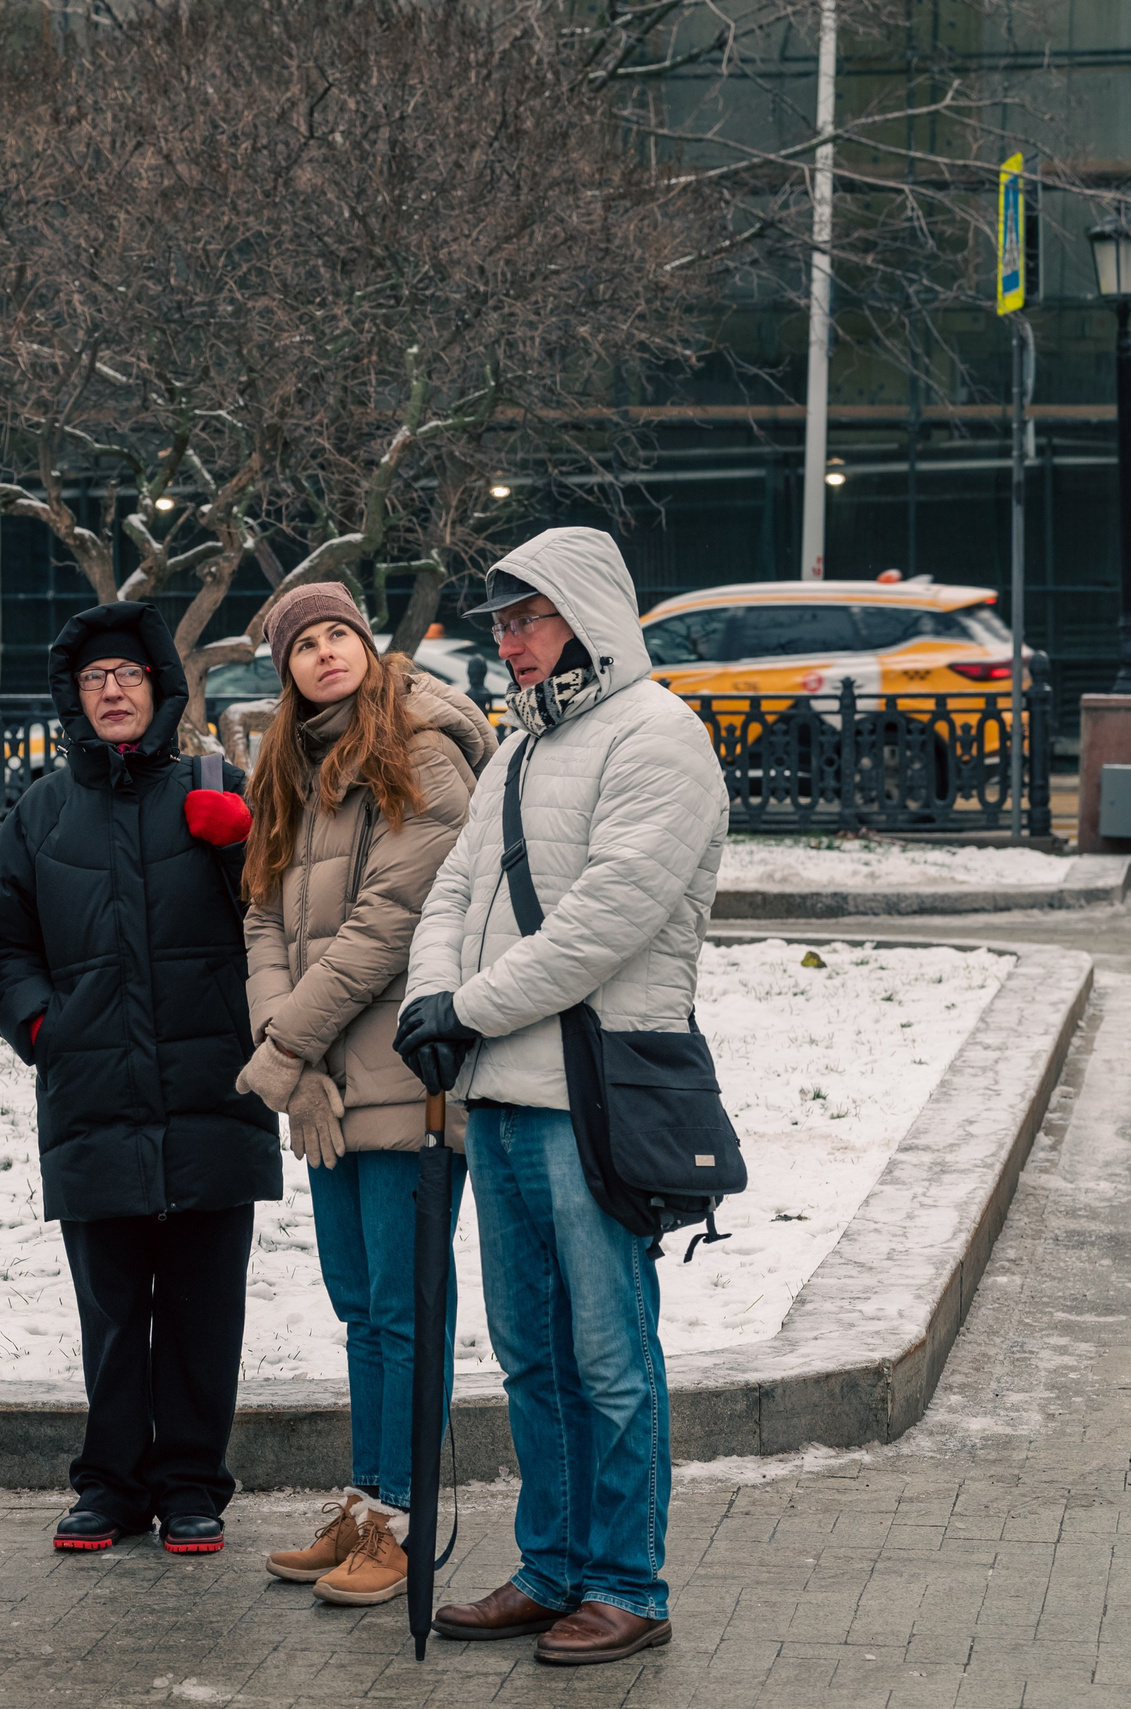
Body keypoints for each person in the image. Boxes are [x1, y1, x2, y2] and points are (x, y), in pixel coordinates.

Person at [394, 527, 727, 1666]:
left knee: (610, 1358)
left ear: (586, 615)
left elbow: (607, 918)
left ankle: (628, 1580)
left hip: (593, 1097)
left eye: (528, 618)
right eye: (501, 623)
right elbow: (453, 890)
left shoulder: (659, 736)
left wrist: (467, 1008)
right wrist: (430, 1000)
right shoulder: (517, 750)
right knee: (531, 1359)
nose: (510, 641)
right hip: (498, 1096)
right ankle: (552, 1568)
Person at [0, 600, 279, 1556]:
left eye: (129, 675)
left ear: (161, 688)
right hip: (94, 1091)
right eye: (93, 678)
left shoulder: (217, 787)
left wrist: (241, 845)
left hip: (211, 1086)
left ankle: (191, 1482)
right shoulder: (40, 812)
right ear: (73, 696)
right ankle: (109, 1485)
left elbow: (281, 914)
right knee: (111, 1309)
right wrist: (43, 1025)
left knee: (202, 1305)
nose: (112, 691)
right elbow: (6, 943)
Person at [236, 583, 495, 1606]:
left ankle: (406, 1518)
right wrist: (289, 1054)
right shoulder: (290, 766)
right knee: (359, 1306)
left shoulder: (418, 752)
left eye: (338, 633)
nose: (325, 653)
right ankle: (367, 1501)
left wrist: (284, 1044)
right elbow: (262, 916)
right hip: (323, 1083)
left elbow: (389, 922)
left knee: (404, 1305)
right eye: (303, 645)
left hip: (402, 1075)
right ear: (286, 672)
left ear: (367, 643)